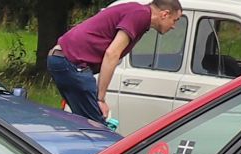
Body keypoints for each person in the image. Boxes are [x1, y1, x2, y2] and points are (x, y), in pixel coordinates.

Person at [50, 0, 184, 125]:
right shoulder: (141, 15)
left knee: (83, 123)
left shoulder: (138, 13)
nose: (174, 26)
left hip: (61, 59)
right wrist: (100, 99)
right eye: (175, 20)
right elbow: (112, 53)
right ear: (164, 14)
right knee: (96, 126)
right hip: (71, 63)